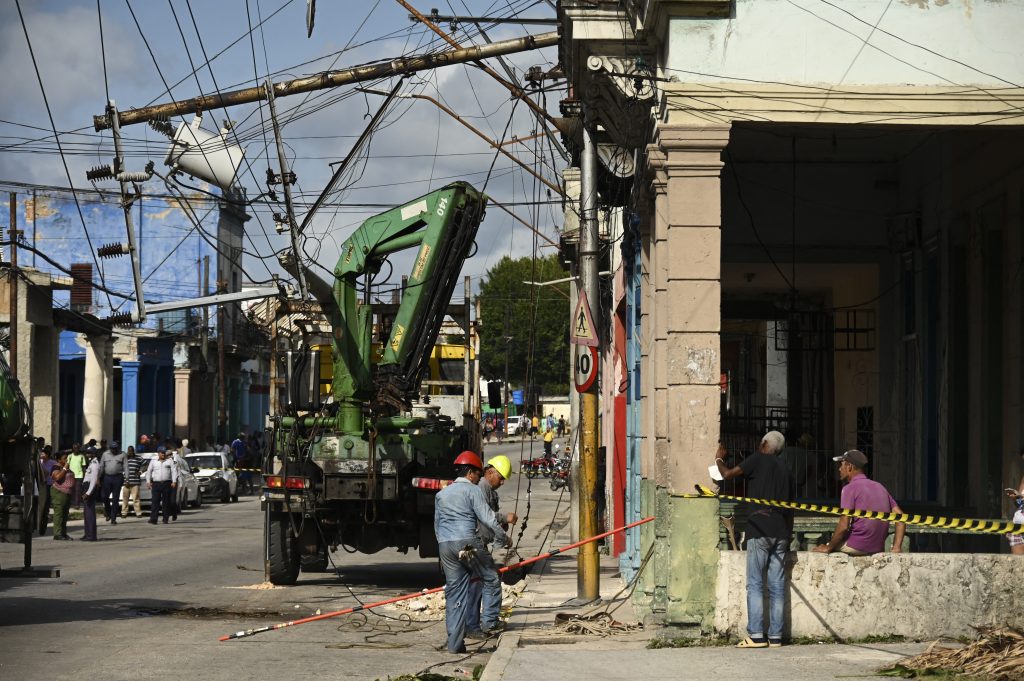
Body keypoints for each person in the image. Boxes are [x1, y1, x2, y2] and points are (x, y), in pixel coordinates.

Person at [715, 431, 794, 648]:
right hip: (781, 531)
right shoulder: (786, 469)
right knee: (778, 586)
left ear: (764, 443)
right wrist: (788, 535)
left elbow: (728, 474)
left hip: (759, 528)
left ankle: (757, 635)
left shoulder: (758, 458)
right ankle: (776, 636)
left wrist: (719, 459)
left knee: (756, 583)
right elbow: (792, 509)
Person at [434, 451, 510, 653]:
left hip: (445, 545)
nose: (479, 477)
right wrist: (503, 538)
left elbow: (437, 524)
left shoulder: (441, 494)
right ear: (469, 473)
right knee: (491, 578)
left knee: (455, 594)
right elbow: (488, 519)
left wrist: (445, 547)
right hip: (468, 544)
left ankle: (455, 644)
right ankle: (489, 623)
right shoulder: (473, 491)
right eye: (477, 473)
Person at [813, 449, 905, 556]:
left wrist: (828, 547)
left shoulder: (849, 488)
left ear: (850, 467)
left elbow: (843, 526)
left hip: (856, 546)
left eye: (841, 465)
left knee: (825, 545)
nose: (839, 469)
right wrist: (896, 547)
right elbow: (901, 517)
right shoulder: (880, 487)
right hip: (877, 548)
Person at [466, 455, 518, 638]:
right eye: (501, 477)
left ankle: (472, 624)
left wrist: (500, 527)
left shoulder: (488, 490)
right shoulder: (482, 488)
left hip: (475, 543)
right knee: (491, 580)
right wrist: (504, 521)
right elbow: (485, 515)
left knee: (475, 584)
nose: (502, 482)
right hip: (475, 543)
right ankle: (489, 622)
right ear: (489, 472)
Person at [146, 449, 178, 525]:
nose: (163, 454)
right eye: (161, 453)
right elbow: (149, 471)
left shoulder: (169, 461)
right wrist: (148, 481)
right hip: (156, 484)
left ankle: (165, 518)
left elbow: (174, 471)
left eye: (164, 453)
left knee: (166, 502)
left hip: (166, 483)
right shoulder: (154, 461)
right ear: (158, 454)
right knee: (155, 502)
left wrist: (174, 481)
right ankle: (154, 518)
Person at [49, 452, 75, 541]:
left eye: (67, 458)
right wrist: (64, 468)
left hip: (67, 493)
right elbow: (57, 478)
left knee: (64, 514)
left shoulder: (66, 467)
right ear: (59, 460)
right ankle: (57, 534)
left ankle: (63, 533)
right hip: (59, 492)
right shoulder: (56, 467)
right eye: (64, 458)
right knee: (59, 513)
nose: (66, 460)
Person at [99, 441, 126, 524]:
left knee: (115, 498)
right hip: (107, 477)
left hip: (118, 477)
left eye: (115, 448)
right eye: (112, 449)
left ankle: (113, 518)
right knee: (104, 496)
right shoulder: (105, 454)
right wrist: (98, 478)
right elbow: (101, 467)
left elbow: (126, 467)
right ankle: (108, 512)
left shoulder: (122, 454)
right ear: (110, 448)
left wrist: (127, 478)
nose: (114, 450)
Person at [36, 446, 58, 536]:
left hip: (49, 486)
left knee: (45, 507)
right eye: (41, 453)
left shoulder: (53, 463)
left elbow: (49, 473)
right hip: (40, 486)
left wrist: (41, 467)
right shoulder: (39, 462)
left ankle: (43, 527)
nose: (41, 455)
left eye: (43, 453)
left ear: (47, 455)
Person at [81, 449, 101, 541]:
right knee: (86, 513)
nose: (87, 454)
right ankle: (87, 533)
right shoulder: (91, 463)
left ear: (93, 454)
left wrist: (88, 493)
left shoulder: (95, 464)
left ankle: (91, 535)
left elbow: (93, 480)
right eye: (86, 453)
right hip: (86, 486)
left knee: (90, 513)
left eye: (89, 453)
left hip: (89, 488)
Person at [121, 446, 143, 518]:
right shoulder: (124, 458)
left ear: (134, 451)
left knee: (136, 498)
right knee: (125, 498)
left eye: (132, 451)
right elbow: (120, 467)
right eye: (129, 451)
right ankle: (124, 512)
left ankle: (138, 513)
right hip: (126, 482)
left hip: (135, 482)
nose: (130, 452)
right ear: (127, 451)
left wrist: (140, 472)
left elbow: (146, 465)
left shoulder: (138, 458)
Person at [67, 442, 87, 507]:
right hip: (71, 476)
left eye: (77, 448)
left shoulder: (81, 456)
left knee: (78, 490)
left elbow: (84, 467)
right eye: (75, 448)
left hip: (79, 475)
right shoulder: (70, 456)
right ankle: (71, 503)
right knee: (71, 489)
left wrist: (84, 476)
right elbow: (67, 465)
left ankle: (77, 504)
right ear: (73, 449)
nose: (76, 449)